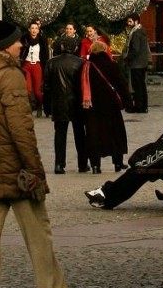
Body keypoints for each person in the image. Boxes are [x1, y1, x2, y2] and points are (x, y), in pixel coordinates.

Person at [0, 18, 85, 288]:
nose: (22, 45)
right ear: (6, 46)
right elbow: (21, 129)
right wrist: (35, 169)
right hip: (16, 170)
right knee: (38, 232)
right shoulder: (9, 76)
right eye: (17, 41)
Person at [85, 83, 163, 210]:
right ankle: (107, 193)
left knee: (138, 171)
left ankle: (107, 196)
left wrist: (143, 158)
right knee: (139, 170)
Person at [79, 39, 129, 175]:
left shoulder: (86, 67)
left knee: (94, 135)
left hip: (93, 107)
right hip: (111, 106)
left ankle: (96, 166)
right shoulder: (112, 65)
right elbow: (121, 84)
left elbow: (81, 88)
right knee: (115, 133)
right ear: (105, 50)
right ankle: (118, 163)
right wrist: (127, 101)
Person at [42, 36, 87, 174]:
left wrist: (47, 105)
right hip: (76, 102)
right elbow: (84, 85)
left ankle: (59, 164)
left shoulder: (52, 63)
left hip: (59, 102)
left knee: (60, 135)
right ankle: (83, 163)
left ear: (61, 47)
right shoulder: (81, 63)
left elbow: (46, 86)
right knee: (80, 134)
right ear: (75, 48)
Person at [20, 21, 49, 117]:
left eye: (36, 28)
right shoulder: (24, 39)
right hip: (26, 65)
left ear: (38, 30)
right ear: (29, 29)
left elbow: (45, 55)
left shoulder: (42, 40)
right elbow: (21, 52)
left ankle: (40, 106)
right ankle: (29, 107)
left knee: (37, 91)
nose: (34, 30)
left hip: (37, 65)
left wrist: (46, 67)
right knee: (28, 89)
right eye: (32, 28)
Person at [123, 14, 151, 113]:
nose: (128, 24)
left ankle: (139, 106)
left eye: (130, 21)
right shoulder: (141, 31)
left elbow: (135, 49)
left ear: (136, 21)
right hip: (142, 63)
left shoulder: (136, 33)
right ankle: (143, 106)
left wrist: (127, 58)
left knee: (137, 86)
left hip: (137, 63)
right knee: (141, 85)